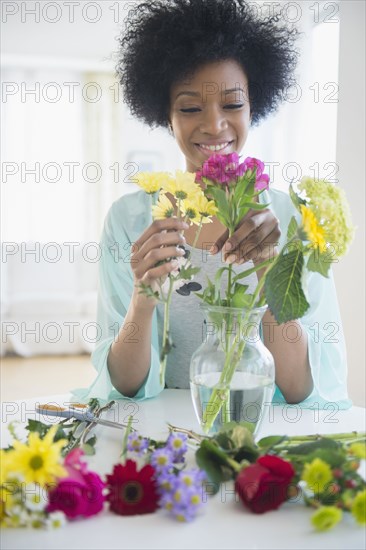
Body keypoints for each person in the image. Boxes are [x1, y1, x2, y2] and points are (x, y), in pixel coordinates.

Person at [74, 0, 351, 409]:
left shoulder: (292, 219)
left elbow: (300, 388)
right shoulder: (129, 220)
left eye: (233, 104)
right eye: (190, 108)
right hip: (163, 442)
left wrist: (270, 276)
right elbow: (126, 387)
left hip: (259, 434)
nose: (215, 125)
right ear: (165, 116)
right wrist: (142, 301)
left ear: (255, 105)